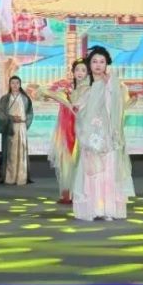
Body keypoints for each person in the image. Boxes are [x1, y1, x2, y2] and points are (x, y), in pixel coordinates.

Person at [72, 46, 135, 221]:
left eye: (102, 61)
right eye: (94, 61)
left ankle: (108, 209)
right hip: (91, 135)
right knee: (92, 173)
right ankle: (93, 209)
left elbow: (119, 107)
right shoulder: (85, 86)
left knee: (108, 172)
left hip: (109, 135)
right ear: (89, 64)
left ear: (107, 64)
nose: (98, 65)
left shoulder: (114, 84)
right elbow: (79, 109)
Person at [41, 58, 90, 203]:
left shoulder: (89, 90)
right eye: (77, 70)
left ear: (88, 73)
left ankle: (81, 193)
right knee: (65, 162)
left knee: (81, 161)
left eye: (83, 70)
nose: (80, 73)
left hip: (81, 130)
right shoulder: (67, 89)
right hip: (65, 129)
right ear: (73, 72)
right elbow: (44, 96)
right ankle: (67, 193)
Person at [0, 76, 34, 185]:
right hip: (10, 128)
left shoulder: (25, 98)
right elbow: (0, 114)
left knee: (22, 152)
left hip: (21, 128)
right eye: (12, 83)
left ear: (20, 84)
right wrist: (12, 118)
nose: (15, 85)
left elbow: (30, 113)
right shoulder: (5, 99)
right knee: (11, 153)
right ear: (9, 85)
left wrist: (24, 121)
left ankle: (22, 177)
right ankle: (10, 177)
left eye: (17, 83)